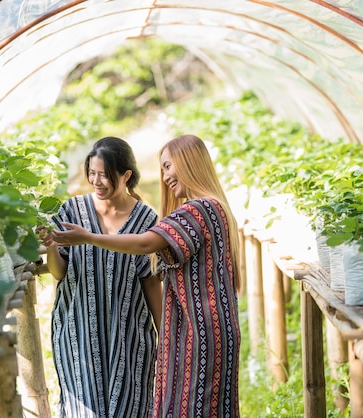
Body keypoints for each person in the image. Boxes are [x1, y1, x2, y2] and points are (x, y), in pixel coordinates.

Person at [50, 134, 242, 418]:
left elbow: (144, 244)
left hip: (197, 326)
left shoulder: (197, 209)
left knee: (189, 408)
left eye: (168, 166)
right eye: (162, 168)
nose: (164, 176)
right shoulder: (215, 208)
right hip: (210, 324)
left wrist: (88, 237)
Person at [38, 136, 162, 418]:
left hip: (130, 337)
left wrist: (165, 335)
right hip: (78, 332)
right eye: (91, 173)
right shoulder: (71, 211)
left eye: (104, 175)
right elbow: (60, 273)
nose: (96, 181)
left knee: (130, 408)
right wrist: (51, 247)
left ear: (126, 175)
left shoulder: (145, 220)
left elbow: (151, 282)